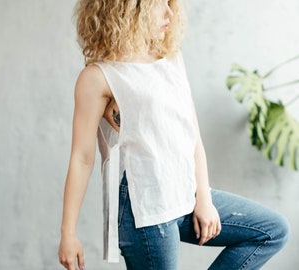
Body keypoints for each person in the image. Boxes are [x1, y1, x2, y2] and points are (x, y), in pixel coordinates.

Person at [58, 0, 290, 269]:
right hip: (142, 205)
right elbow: (82, 158)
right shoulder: (98, 77)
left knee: (272, 231)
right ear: (127, 9)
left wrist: (203, 197)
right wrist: (68, 233)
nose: (170, 12)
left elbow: (192, 134)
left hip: (184, 190)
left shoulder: (170, 57)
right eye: (159, 4)